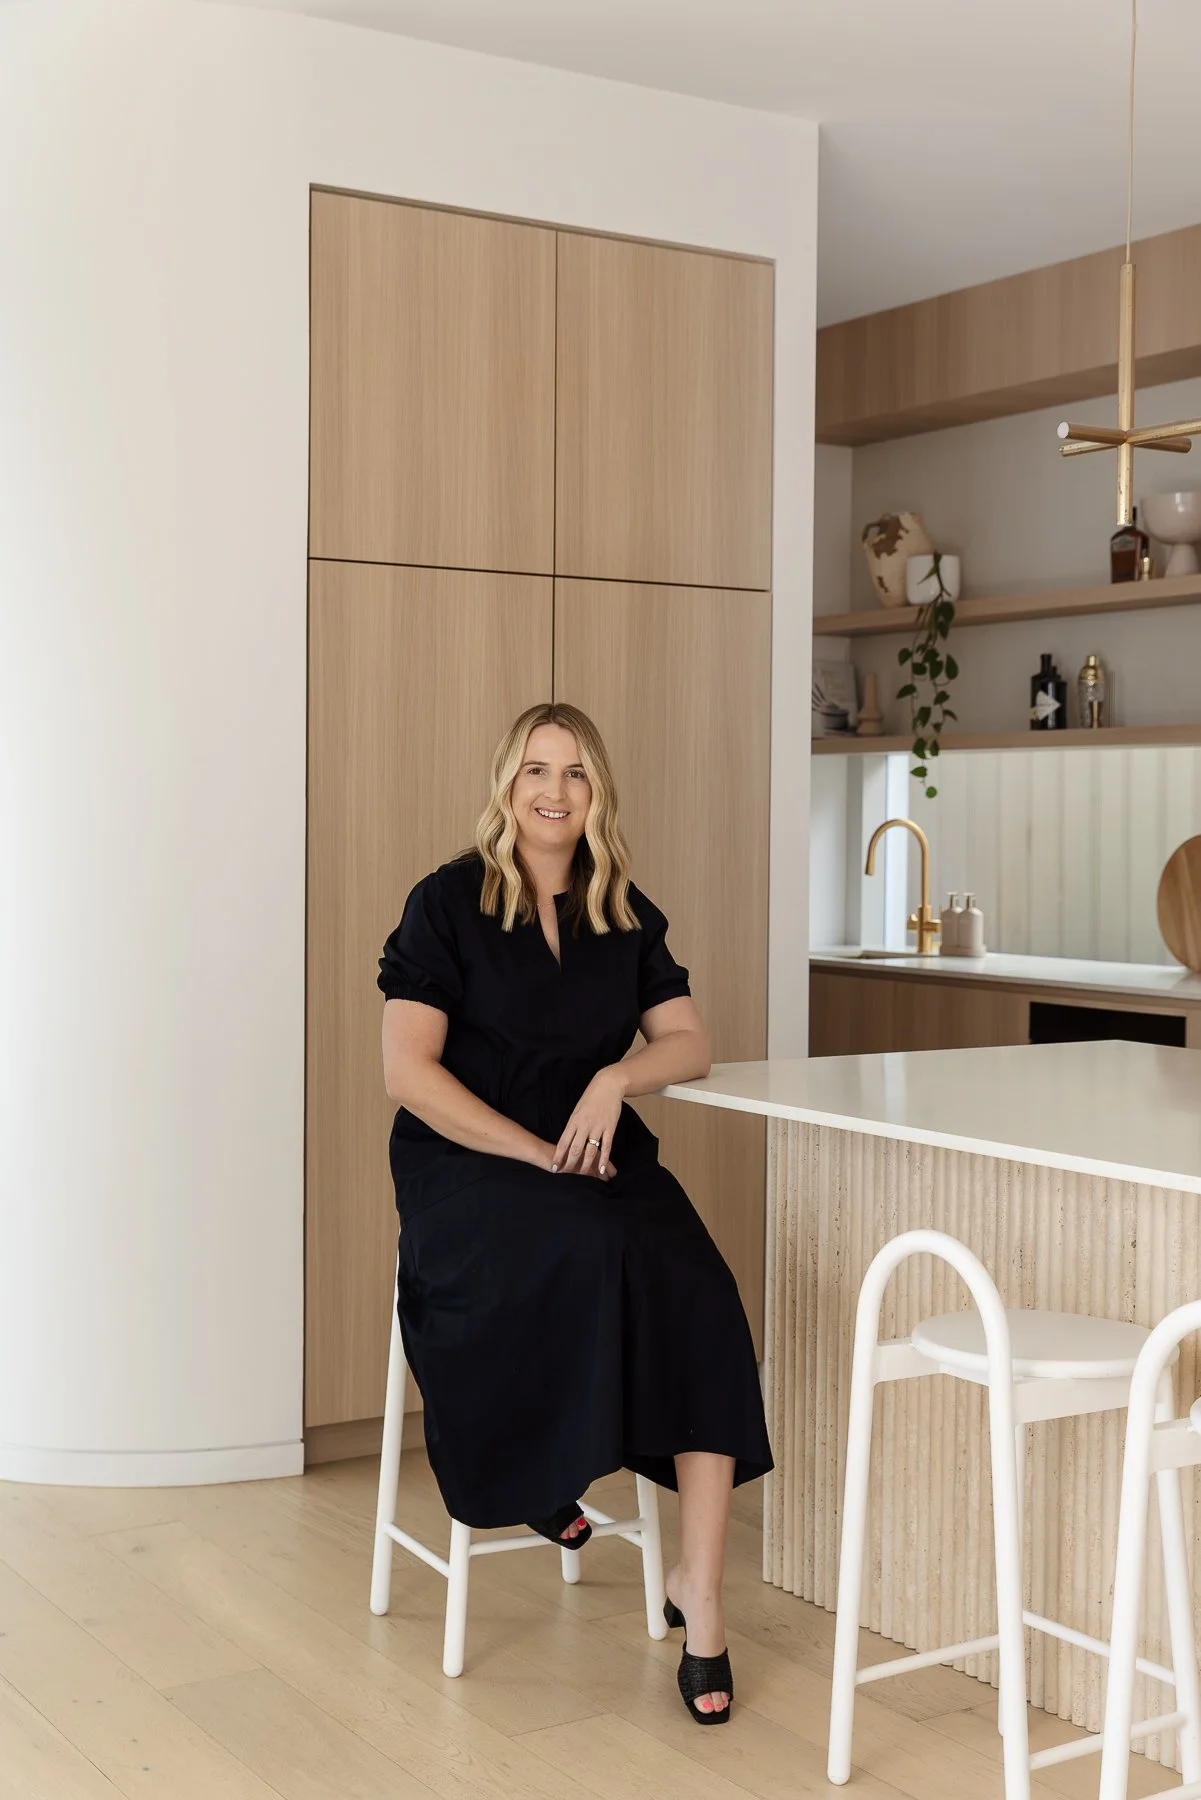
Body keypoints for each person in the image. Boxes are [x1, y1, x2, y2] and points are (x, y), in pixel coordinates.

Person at [378, 701, 772, 1723]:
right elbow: (408, 1073)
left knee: (702, 1288)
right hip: (469, 1163)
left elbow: (690, 1044)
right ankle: (536, 1468)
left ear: (597, 794)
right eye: (535, 771)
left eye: (575, 775)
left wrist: (613, 1079)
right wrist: (531, 1150)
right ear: (506, 783)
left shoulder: (620, 909)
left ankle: (702, 1592)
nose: (553, 792)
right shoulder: (446, 903)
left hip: (595, 1155)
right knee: (583, 1241)